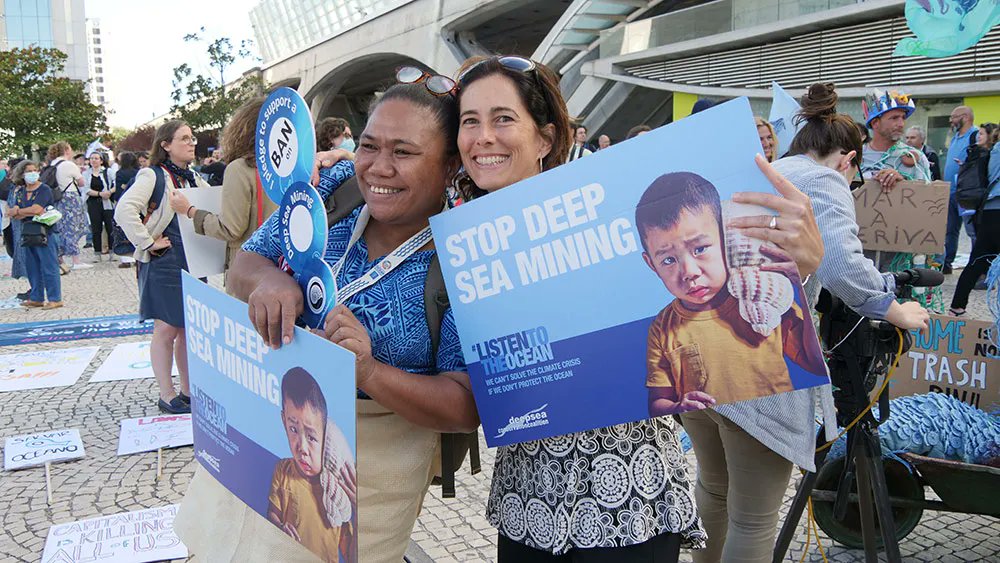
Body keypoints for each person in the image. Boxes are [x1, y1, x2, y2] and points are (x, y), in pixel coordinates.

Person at [452, 55, 824, 562]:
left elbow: (736, 304)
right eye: (469, 121)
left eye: (502, 118)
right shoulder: (466, 245)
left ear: (544, 138)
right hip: (529, 505)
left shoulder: (613, 207)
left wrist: (797, 268)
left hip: (630, 503)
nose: (483, 136)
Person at [174, 83, 477, 563]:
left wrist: (370, 373)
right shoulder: (335, 193)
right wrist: (269, 282)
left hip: (371, 467)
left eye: (404, 152)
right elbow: (245, 264)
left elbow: (464, 406)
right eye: (370, 146)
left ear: (450, 166)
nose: (379, 167)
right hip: (273, 434)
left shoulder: (464, 254)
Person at [680, 82, 930, 563]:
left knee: (713, 490)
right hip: (758, 366)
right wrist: (895, 308)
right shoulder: (822, 181)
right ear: (847, 158)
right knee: (752, 519)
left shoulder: (768, 171)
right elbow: (840, 261)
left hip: (700, 355)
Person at [638, 172, 824, 417]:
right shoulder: (663, 327)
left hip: (769, 421)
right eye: (669, 259)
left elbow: (812, 363)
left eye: (700, 248)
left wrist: (797, 288)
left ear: (726, 240)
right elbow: (657, 402)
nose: (689, 272)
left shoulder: (761, 292)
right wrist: (677, 406)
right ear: (651, 264)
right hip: (702, 422)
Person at [114, 119, 210, 415]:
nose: (192, 142)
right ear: (165, 145)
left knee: (188, 330)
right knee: (166, 329)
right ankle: (167, 394)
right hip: (165, 261)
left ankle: (188, 390)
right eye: (184, 138)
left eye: (192, 137)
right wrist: (146, 242)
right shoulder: (152, 175)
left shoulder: (194, 177)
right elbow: (124, 209)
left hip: (194, 261)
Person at [168, 96, 278, 289]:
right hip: (282, 271)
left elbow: (231, 228)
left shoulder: (241, 168)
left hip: (250, 270)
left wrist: (191, 211)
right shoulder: (288, 168)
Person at [268, 367, 356, 562]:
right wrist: (279, 527)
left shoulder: (337, 492)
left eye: (311, 436)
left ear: (326, 435)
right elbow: (272, 513)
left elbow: (351, 555)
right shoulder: (283, 470)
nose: (302, 447)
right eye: (293, 429)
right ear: (283, 421)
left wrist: (356, 515)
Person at [950, 124, 1000, 316]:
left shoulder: (993, 150)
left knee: (977, 260)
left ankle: (957, 305)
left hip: (988, 211)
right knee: (978, 259)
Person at [4, 160, 63, 309]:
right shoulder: (21, 191)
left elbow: (37, 209)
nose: (33, 173)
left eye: (35, 170)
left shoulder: (44, 190)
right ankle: (36, 297)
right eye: (29, 171)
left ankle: (55, 298)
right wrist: (21, 211)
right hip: (28, 233)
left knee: (49, 266)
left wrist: (19, 211)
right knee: (32, 267)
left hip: (45, 233)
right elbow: (12, 212)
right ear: (22, 174)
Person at [943, 105, 978, 273]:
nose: (951, 120)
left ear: (965, 117)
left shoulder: (975, 135)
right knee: (950, 230)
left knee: (972, 231)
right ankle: (946, 263)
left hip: (967, 192)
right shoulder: (955, 137)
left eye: (954, 116)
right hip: (951, 191)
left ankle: (977, 266)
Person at [44, 142, 88, 272]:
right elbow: (81, 182)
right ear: (66, 150)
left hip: (56, 199)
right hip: (70, 198)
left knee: (60, 228)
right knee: (73, 227)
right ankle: (76, 260)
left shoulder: (52, 164)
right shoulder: (69, 164)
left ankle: (60, 259)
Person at [83, 152, 117, 262]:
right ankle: (97, 252)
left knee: (110, 227)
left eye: (96, 158)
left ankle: (113, 251)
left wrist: (109, 192)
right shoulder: (86, 174)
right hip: (94, 203)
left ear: (101, 160)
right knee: (96, 228)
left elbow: (116, 184)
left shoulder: (108, 172)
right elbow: (86, 189)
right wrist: (99, 194)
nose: (93, 160)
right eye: (92, 158)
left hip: (107, 203)